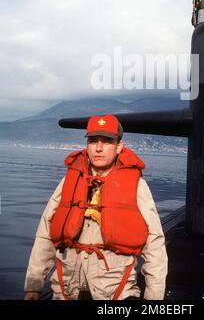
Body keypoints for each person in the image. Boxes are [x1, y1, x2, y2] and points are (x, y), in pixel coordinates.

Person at [24, 114, 167, 301]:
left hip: (116, 293)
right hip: (66, 291)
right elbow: (45, 233)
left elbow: (154, 243)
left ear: (118, 147)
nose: (98, 148)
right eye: (92, 141)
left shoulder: (137, 186)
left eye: (107, 141)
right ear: (87, 146)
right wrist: (33, 286)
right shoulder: (69, 182)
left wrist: (154, 297)